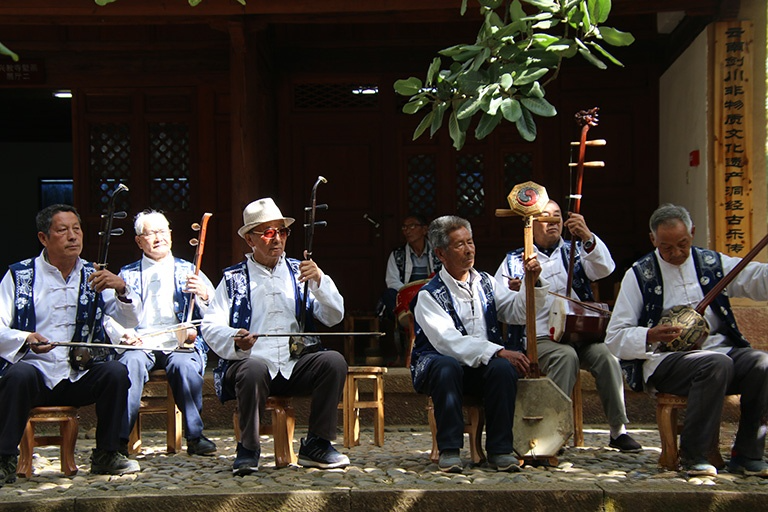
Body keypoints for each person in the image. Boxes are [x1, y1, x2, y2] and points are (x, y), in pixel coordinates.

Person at [605, 204, 768, 478]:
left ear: (692, 233)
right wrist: (649, 334)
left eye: (683, 244)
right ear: (652, 240)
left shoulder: (711, 264)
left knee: (761, 363)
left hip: (720, 352)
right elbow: (615, 336)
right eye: (666, 247)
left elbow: (754, 278)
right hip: (667, 362)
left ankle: (748, 454)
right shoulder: (639, 275)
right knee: (715, 364)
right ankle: (695, 455)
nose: (677, 253)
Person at [202, 197, 348, 476]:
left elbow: (334, 316)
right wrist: (236, 338)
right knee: (254, 368)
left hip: (295, 363)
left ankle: (317, 444)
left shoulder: (300, 271)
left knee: (333, 361)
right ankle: (248, 448)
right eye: (268, 232)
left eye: (282, 232)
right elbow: (211, 324)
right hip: (252, 365)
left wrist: (319, 281)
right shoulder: (233, 279)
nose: (277, 239)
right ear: (250, 239)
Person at [0, 204, 141, 484]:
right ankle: (3, 458)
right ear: (43, 238)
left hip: (79, 374)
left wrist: (122, 288)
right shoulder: (19, 276)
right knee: (17, 374)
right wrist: (25, 339)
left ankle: (107, 453)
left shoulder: (95, 274)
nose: (73, 236)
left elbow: (131, 319)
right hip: (36, 375)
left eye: (76, 229)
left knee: (116, 372)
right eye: (62, 230)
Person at [494, 200, 641, 453]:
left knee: (606, 357)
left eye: (557, 216)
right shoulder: (514, 260)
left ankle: (618, 430)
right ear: (531, 224)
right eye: (545, 217)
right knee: (565, 356)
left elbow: (605, 268)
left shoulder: (574, 250)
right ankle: (554, 430)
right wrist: (521, 291)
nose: (553, 222)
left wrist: (586, 235)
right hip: (541, 336)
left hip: (579, 331)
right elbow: (503, 306)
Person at [410, 215, 548, 473]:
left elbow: (517, 312)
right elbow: (448, 342)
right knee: (447, 366)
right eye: (459, 245)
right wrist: (498, 351)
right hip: (441, 370)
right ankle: (449, 450)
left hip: (482, 367)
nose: (468, 249)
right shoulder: (429, 294)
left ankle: (500, 449)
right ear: (441, 253)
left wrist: (533, 282)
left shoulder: (486, 282)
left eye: (470, 242)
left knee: (503, 370)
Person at [107, 210, 217, 457]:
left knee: (184, 366)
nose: (158, 237)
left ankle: (195, 436)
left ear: (171, 234)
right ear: (138, 241)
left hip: (178, 342)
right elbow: (110, 314)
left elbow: (217, 311)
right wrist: (124, 335)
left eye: (162, 231)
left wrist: (205, 295)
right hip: (141, 342)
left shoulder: (190, 270)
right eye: (151, 233)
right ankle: (119, 439)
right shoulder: (127, 274)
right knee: (128, 364)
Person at [379, 213, 441, 364]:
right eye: (404, 227)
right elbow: (392, 281)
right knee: (389, 294)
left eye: (412, 226)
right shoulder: (397, 255)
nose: (407, 230)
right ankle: (407, 323)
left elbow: (443, 277)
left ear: (424, 230)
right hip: (406, 299)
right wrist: (411, 292)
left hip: (432, 296)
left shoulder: (438, 252)